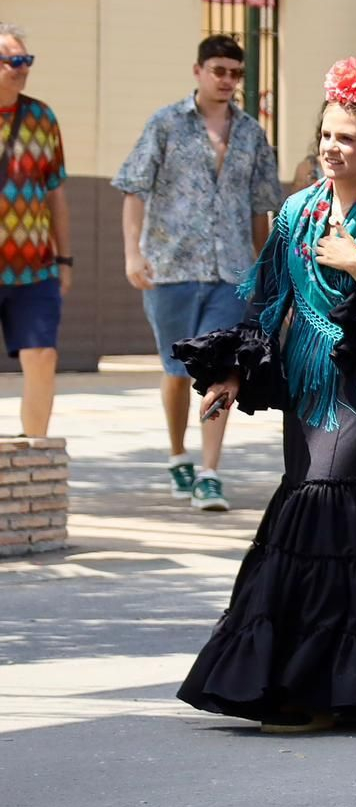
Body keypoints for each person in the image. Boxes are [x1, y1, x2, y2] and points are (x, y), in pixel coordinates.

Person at [174, 57, 356, 731]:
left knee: (327, 504)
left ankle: (316, 691)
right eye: (326, 136)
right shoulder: (298, 211)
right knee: (338, 523)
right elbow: (269, 303)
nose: (332, 148)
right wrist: (233, 373)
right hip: (311, 386)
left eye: (348, 139)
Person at [114, 35, 281, 511]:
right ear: (198, 71)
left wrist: (261, 270)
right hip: (170, 266)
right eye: (219, 71)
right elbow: (133, 189)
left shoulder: (251, 133)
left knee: (223, 369)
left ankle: (210, 472)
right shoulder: (166, 124)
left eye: (235, 73)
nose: (227, 80)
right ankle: (177, 455)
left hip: (230, 269)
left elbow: (260, 208)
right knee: (174, 369)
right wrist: (132, 254)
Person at [0, 23, 71, 437]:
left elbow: (55, 193)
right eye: (13, 61)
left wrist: (65, 259)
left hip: (34, 268)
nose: (22, 68)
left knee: (42, 355)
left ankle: (36, 452)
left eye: (27, 61)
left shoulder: (41, 117)